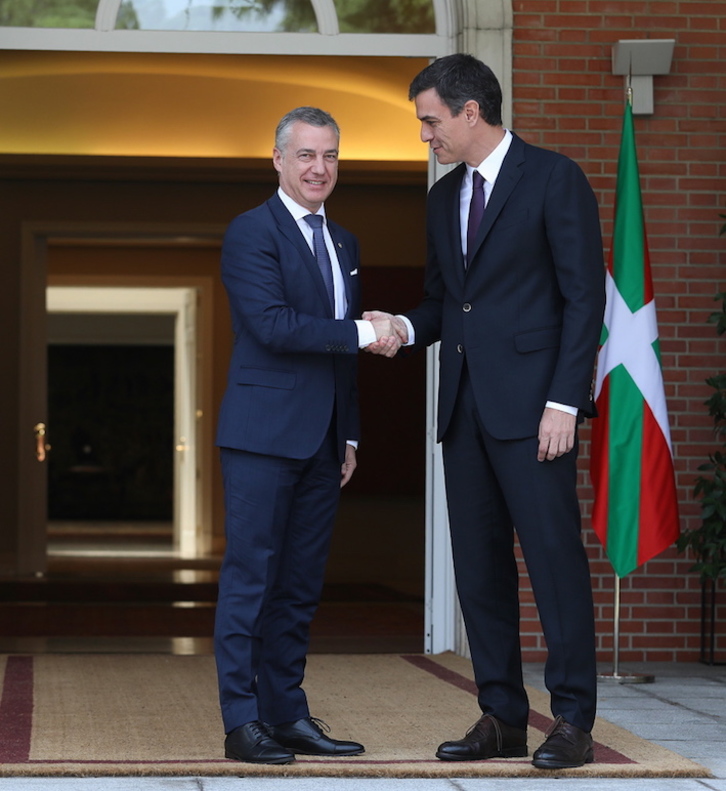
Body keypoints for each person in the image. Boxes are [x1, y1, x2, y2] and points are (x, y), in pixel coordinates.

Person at [365, 54, 606, 769]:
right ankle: (501, 717)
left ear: (471, 113)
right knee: (479, 572)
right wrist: (405, 328)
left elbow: (582, 299)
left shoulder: (554, 178)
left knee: (555, 566)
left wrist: (565, 400)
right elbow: (448, 303)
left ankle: (573, 722)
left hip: (538, 414)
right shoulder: (442, 198)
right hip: (464, 414)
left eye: (430, 120)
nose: (425, 136)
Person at [214, 106, 398, 765]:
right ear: (279, 160)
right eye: (306, 156)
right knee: (250, 579)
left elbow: (336, 354)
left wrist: (349, 433)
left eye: (330, 156)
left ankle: (287, 713)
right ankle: (243, 721)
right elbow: (273, 325)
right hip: (262, 437)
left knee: (299, 584)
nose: (319, 168)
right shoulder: (251, 232)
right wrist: (361, 332)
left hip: (323, 443)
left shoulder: (343, 241)